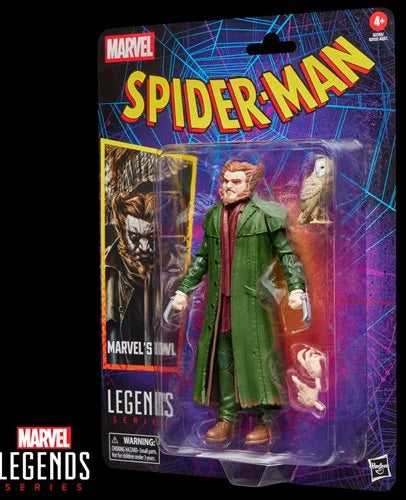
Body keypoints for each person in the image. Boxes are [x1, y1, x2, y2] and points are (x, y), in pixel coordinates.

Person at [170, 159, 305, 445]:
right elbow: (202, 258)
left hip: (254, 306)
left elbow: (287, 254)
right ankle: (227, 417)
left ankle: (265, 420)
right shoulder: (214, 215)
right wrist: (183, 291)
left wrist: (296, 289)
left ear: (250, 185)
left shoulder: (266, 215)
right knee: (223, 359)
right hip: (220, 306)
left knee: (259, 359)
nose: (227, 186)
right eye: (225, 181)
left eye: (235, 182)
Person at [105, 192, 156, 366]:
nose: (144, 247)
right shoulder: (106, 271)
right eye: (134, 237)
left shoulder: (176, 268)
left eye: (151, 237)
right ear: (121, 232)